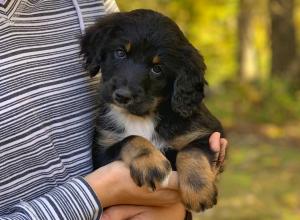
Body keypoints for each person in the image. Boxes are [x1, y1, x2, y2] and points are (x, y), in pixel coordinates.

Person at [0, 0, 228, 219]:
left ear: (178, 81)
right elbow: (104, 157)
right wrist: (128, 157)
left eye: (157, 70)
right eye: (121, 54)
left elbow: (206, 140)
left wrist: (193, 172)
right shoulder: (110, 126)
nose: (126, 90)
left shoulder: (92, 3)